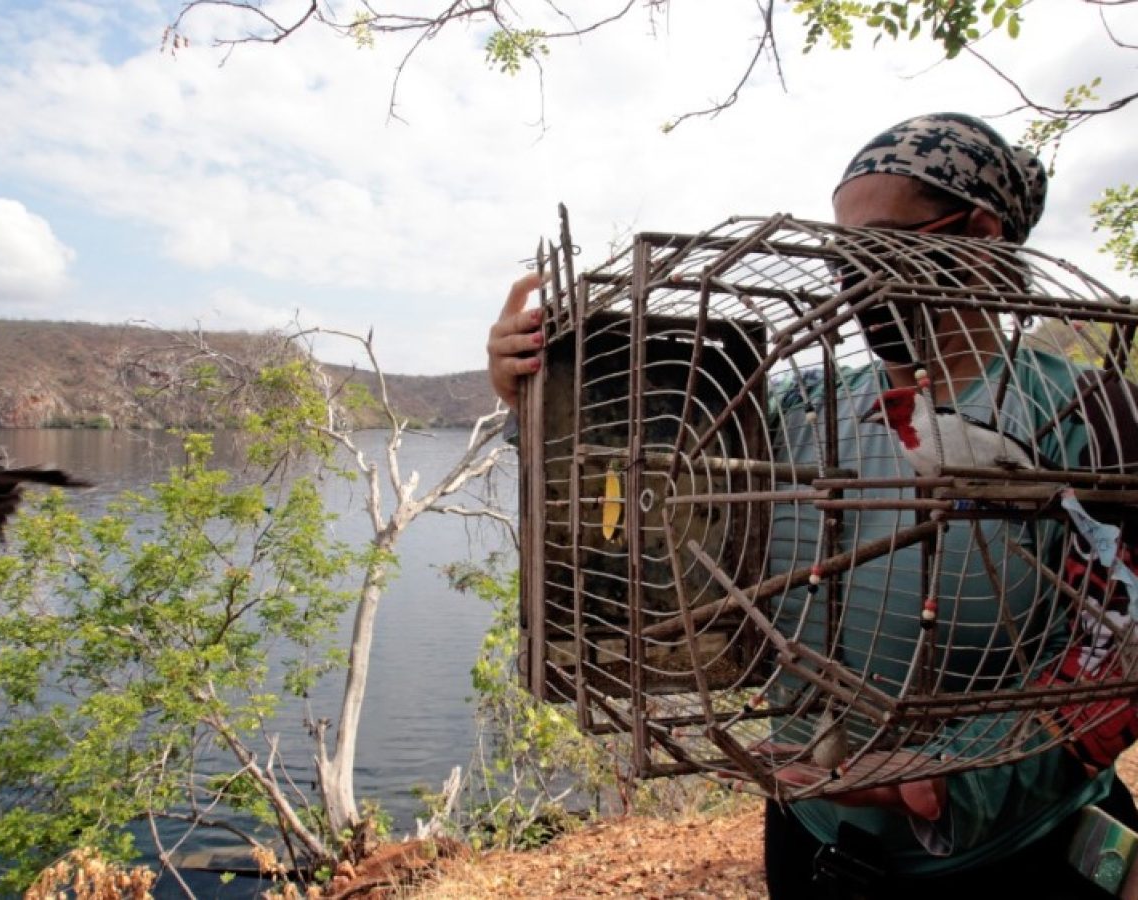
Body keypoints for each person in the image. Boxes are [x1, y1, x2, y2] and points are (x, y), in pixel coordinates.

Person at [486, 112, 1138, 899]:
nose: (849, 278)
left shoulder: (1088, 415)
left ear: (981, 235)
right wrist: (539, 397)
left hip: (1009, 859)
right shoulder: (793, 407)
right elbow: (635, 481)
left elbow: (1124, 653)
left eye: (876, 247)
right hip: (811, 838)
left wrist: (955, 784)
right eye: (838, 254)